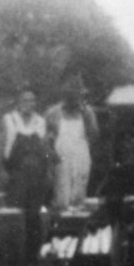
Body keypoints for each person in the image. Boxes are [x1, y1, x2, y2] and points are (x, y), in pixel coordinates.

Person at [1, 88, 53, 266]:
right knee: (15, 214)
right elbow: (6, 143)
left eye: (31, 100)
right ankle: (15, 259)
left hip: (36, 174)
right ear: (18, 101)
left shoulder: (40, 121)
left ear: (35, 103)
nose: (28, 104)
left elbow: (42, 146)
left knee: (34, 215)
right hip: (16, 172)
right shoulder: (9, 119)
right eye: (24, 100)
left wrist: (47, 170)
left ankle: (33, 258)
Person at [46, 73, 99, 208]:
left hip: (81, 158)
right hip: (60, 160)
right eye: (70, 93)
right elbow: (45, 142)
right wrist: (50, 157)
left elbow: (94, 136)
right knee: (61, 199)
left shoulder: (87, 112)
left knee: (78, 197)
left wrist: (86, 116)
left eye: (77, 94)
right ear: (64, 94)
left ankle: (78, 226)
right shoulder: (53, 113)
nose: (73, 97)